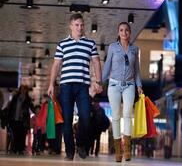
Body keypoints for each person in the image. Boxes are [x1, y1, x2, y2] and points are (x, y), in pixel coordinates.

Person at [47, 13, 103, 161]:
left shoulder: (90, 43)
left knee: (85, 117)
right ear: (71, 26)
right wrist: (51, 84)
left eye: (82, 25)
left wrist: (98, 81)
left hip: (83, 86)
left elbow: (96, 62)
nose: (80, 27)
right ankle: (70, 151)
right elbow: (56, 64)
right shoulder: (62, 44)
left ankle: (81, 144)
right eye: (77, 25)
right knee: (67, 120)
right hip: (66, 86)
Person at [102, 22, 143, 162]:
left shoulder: (134, 49)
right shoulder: (113, 47)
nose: (124, 33)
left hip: (130, 85)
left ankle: (127, 150)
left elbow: (137, 70)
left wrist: (139, 85)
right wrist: (99, 82)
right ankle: (118, 151)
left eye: (126, 30)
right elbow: (107, 65)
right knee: (116, 116)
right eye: (121, 30)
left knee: (127, 114)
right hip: (114, 85)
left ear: (130, 33)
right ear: (118, 32)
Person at [7, 85, 35, 154]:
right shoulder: (15, 98)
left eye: (24, 89)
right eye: (22, 89)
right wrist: (9, 117)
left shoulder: (28, 99)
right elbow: (10, 108)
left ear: (26, 90)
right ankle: (15, 149)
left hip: (23, 120)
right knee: (15, 135)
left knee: (22, 135)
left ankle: (20, 149)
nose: (23, 91)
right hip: (14, 119)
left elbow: (32, 109)